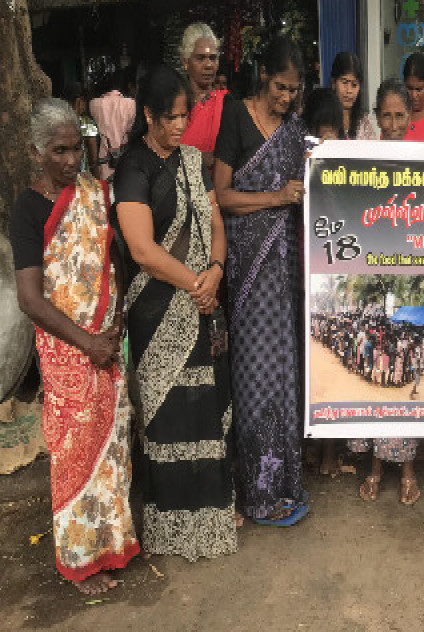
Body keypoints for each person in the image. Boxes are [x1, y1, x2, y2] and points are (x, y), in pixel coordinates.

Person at [9, 99, 139, 594]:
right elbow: (29, 297)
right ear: (39, 151)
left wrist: (117, 320)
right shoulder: (28, 209)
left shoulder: (95, 194)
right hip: (68, 350)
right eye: (59, 151)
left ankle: (114, 544)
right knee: (74, 453)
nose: (70, 161)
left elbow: (113, 264)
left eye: (75, 149)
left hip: (107, 341)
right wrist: (86, 342)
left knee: (112, 446)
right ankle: (80, 557)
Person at [114, 66, 238, 559]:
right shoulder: (133, 169)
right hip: (158, 309)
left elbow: (214, 222)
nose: (179, 127)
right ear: (147, 115)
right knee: (169, 418)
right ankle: (171, 527)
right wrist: (195, 284)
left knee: (206, 412)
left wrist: (216, 269)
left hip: (204, 303)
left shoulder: (192, 159)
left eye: (185, 116)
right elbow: (142, 250)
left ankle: (213, 515)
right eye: (169, 118)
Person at [214, 36, 309, 525]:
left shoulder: (295, 130)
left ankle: (283, 483)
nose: (286, 98)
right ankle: (253, 489)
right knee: (253, 374)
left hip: (284, 272)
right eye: (279, 87)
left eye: (293, 90)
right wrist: (275, 197)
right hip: (249, 274)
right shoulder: (235, 116)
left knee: (283, 371)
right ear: (263, 77)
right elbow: (222, 196)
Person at [349, 78, 421, 506]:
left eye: (400, 115)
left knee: (404, 369)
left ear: (408, 117)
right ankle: (375, 465)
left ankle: (408, 467)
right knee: (377, 375)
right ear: (375, 118)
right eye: (386, 115)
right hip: (375, 278)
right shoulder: (360, 159)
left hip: (412, 279)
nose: (393, 123)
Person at [180, 22, 227, 169]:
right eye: (201, 58)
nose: (208, 65)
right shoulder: (174, 103)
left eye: (213, 58)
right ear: (185, 61)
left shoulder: (226, 103)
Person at [87, 57, 136, 183]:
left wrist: (95, 174)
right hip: (128, 169)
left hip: (103, 170)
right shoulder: (131, 104)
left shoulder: (93, 105)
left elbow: (91, 141)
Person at [330, 51, 376, 140]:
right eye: (344, 82)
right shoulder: (324, 118)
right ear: (333, 83)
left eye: (354, 84)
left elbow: (372, 152)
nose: (349, 91)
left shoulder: (364, 122)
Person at [63, 81, 99, 173]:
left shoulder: (56, 122)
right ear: (79, 101)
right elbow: (93, 159)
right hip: (81, 178)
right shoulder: (86, 123)